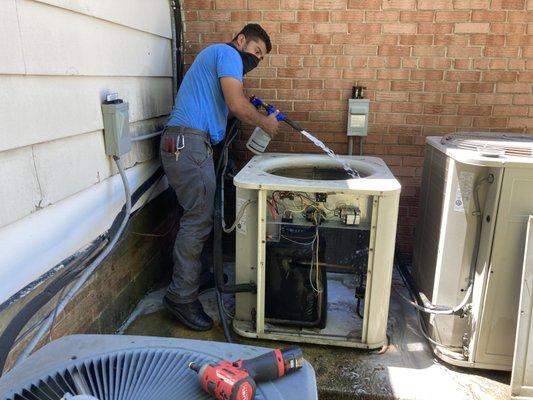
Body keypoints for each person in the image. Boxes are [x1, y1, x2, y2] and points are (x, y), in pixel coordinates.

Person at [160, 24, 280, 331]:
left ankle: (198, 276)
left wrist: (249, 104)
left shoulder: (219, 61)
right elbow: (236, 106)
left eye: (261, 58)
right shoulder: (227, 53)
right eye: (256, 52)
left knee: (202, 216)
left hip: (190, 144)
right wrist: (264, 122)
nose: (256, 60)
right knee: (197, 219)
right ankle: (181, 296)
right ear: (241, 40)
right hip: (188, 144)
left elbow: (227, 108)